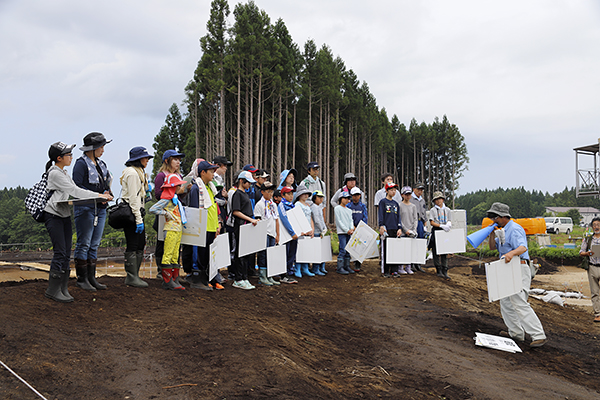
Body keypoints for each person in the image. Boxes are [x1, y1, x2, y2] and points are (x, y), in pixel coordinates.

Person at [43, 142, 113, 302]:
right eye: (68, 155)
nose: (71, 157)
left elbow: (74, 191)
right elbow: (75, 191)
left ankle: (63, 287)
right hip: (53, 215)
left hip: (63, 214)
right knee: (60, 252)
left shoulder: (64, 173)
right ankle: (53, 290)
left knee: (67, 252)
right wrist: (99, 196)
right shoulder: (55, 173)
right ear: (59, 158)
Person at [487, 202, 548, 347]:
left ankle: (538, 334)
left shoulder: (514, 229)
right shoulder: (502, 230)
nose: (492, 220)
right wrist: (490, 234)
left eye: (494, 217)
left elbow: (522, 247)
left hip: (518, 267)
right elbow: (491, 247)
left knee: (519, 301)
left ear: (503, 216)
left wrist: (510, 253)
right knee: (506, 302)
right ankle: (516, 333)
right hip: (507, 268)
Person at [72, 132, 113, 291]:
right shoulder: (81, 164)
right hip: (85, 208)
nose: (103, 149)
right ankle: (82, 279)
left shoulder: (102, 164)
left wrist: (107, 194)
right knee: (84, 243)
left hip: (101, 208)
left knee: (94, 244)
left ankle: (91, 278)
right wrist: (97, 196)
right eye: (101, 146)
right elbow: (77, 187)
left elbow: (106, 183)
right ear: (93, 148)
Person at [185, 159, 224, 290]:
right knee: (200, 255)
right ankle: (198, 280)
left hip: (211, 227)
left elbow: (214, 206)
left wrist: (217, 224)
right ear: (202, 172)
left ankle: (209, 279)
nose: (214, 173)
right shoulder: (196, 188)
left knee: (208, 255)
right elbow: (195, 210)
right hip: (202, 227)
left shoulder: (210, 188)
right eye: (211, 171)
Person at [120, 146, 153, 288]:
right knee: (133, 244)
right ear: (138, 160)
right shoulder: (132, 174)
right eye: (145, 158)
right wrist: (138, 219)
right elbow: (133, 198)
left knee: (140, 244)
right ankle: (131, 276)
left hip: (138, 211)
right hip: (132, 213)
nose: (147, 161)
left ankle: (135, 275)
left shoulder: (139, 173)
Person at [149, 174, 187, 290]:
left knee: (175, 255)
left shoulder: (174, 198)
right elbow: (153, 209)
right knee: (168, 254)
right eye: (178, 185)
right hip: (170, 228)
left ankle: (174, 279)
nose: (180, 187)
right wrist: (165, 213)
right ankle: (167, 281)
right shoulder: (166, 198)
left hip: (177, 229)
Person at [153, 149, 187, 279]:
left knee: (175, 244)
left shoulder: (179, 176)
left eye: (179, 160)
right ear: (167, 161)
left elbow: (180, 196)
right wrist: (176, 192)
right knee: (162, 241)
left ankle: (173, 272)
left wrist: (185, 190)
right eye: (175, 159)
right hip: (165, 212)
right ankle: (161, 271)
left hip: (177, 212)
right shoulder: (161, 176)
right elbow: (158, 195)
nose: (178, 162)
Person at [230, 171, 259, 289]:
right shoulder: (237, 194)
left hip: (247, 225)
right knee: (240, 253)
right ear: (242, 181)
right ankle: (238, 278)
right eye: (248, 183)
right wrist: (250, 219)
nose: (250, 185)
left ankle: (244, 277)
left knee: (246, 253)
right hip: (241, 225)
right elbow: (236, 211)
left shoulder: (245, 194)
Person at [254, 181, 280, 286]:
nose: (270, 194)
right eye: (268, 191)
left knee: (270, 254)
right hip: (264, 233)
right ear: (262, 192)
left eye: (271, 191)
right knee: (263, 254)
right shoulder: (259, 205)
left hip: (272, 233)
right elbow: (258, 220)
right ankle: (262, 276)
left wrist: (278, 234)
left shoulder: (273, 205)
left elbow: (276, 219)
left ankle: (270, 275)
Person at [378, 182, 402, 278]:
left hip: (395, 229)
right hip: (386, 229)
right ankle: (386, 270)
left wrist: (399, 228)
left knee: (395, 250)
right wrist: (381, 226)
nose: (393, 192)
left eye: (395, 190)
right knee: (386, 250)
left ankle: (394, 270)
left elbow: (398, 216)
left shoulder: (396, 204)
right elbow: (381, 215)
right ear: (387, 191)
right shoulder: (383, 202)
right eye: (391, 190)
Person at [579, 217, 600, 323]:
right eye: (594, 225)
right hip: (592, 266)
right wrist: (587, 253)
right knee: (595, 291)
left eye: (598, 224)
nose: (596, 227)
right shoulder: (588, 239)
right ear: (592, 227)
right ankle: (598, 314)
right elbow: (581, 252)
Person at [277, 186, 299, 284]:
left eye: (292, 194)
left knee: (292, 254)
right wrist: (292, 232)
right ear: (283, 195)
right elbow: (284, 219)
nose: (291, 196)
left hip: (294, 234)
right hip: (286, 234)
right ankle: (283, 275)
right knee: (285, 254)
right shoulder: (282, 205)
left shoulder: (292, 205)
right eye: (288, 194)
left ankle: (289, 273)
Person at [428, 191, 451, 280]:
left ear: (443, 199)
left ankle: (445, 269)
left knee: (445, 250)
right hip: (437, 229)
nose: (438, 201)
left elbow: (450, 219)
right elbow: (432, 222)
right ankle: (438, 269)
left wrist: (448, 225)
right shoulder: (433, 210)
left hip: (444, 231)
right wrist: (441, 225)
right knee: (435, 250)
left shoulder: (447, 210)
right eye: (436, 200)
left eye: (440, 199)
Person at [294, 186, 315, 278]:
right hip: (301, 231)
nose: (306, 195)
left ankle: (305, 268)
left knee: (306, 250)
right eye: (304, 194)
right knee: (299, 250)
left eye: (307, 194)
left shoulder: (308, 205)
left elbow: (310, 217)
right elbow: (297, 218)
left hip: (308, 230)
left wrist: (312, 229)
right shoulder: (297, 205)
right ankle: (297, 268)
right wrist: (302, 230)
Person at [398, 186, 418, 275]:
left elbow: (415, 219)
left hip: (412, 231)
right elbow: (399, 219)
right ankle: (401, 266)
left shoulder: (413, 206)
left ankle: (408, 266)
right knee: (402, 249)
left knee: (410, 249)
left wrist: (413, 229)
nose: (408, 196)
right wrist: (405, 230)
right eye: (406, 194)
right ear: (402, 195)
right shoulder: (399, 205)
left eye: (409, 194)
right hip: (403, 231)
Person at [347, 186, 368, 272]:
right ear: (351, 196)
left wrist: (361, 227)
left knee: (359, 246)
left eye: (357, 195)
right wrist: (352, 227)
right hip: (351, 229)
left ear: (360, 195)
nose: (356, 197)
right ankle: (347, 263)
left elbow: (365, 217)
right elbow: (347, 217)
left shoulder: (362, 206)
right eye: (354, 195)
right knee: (349, 246)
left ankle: (358, 263)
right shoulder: (348, 206)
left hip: (360, 229)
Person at [335, 191, 355, 275]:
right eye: (345, 198)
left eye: (348, 199)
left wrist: (351, 228)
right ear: (340, 199)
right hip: (342, 232)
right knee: (343, 249)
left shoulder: (349, 210)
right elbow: (339, 221)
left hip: (349, 232)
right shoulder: (337, 208)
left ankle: (347, 266)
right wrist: (346, 229)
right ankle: (340, 267)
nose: (346, 200)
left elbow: (351, 220)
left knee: (348, 250)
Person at [212, 155, 233, 234]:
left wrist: (226, 196)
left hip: (222, 212)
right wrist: (224, 202)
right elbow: (211, 199)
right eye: (224, 165)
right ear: (217, 165)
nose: (226, 168)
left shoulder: (220, 178)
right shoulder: (212, 178)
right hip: (215, 214)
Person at [410, 182, 427, 272]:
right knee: (413, 242)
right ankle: (412, 263)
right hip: (413, 222)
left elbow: (424, 212)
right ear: (414, 189)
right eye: (418, 189)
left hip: (421, 222)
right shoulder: (411, 199)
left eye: (421, 190)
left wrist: (425, 224)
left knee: (420, 242)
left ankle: (418, 263)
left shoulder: (422, 200)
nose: (420, 192)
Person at [310, 190, 328, 275]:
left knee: (321, 251)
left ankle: (321, 267)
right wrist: (322, 229)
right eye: (319, 197)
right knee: (317, 251)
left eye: (322, 197)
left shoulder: (319, 207)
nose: (321, 199)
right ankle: (315, 268)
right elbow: (317, 220)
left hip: (321, 231)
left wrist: (325, 228)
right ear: (314, 198)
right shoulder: (314, 207)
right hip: (317, 232)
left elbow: (321, 220)